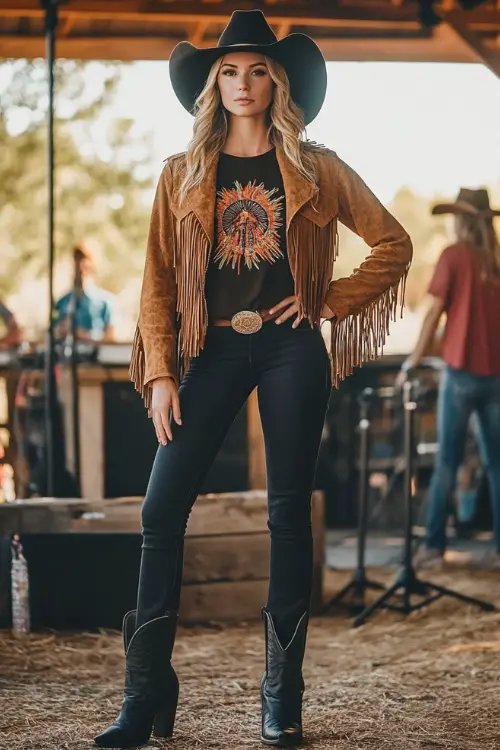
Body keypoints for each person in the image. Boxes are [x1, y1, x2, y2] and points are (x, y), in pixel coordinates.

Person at [94, 10, 412, 749]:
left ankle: (281, 697)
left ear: (279, 82)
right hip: (207, 353)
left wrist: (328, 299)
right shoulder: (181, 174)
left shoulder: (317, 167)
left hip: (289, 350)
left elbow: (393, 243)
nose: (244, 84)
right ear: (214, 84)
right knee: (159, 510)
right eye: (230, 71)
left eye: (259, 70)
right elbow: (157, 284)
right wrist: (163, 373)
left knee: (286, 514)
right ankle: (145, 695)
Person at [397, 188, 500, 570]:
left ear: (459, 219)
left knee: (447, 463)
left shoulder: (454, 256)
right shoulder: (495, 261)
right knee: (497, 466)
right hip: (496, 377)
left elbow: (433, 314)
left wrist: (414, 360)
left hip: (460, 374)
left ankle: (435, 548)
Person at [55, 243, 116, 342]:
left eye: (84, 260)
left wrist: (82, 335)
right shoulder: (63, 302)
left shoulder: (105, 302)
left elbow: (111, 339)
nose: (80, 266)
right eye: (77, 260)